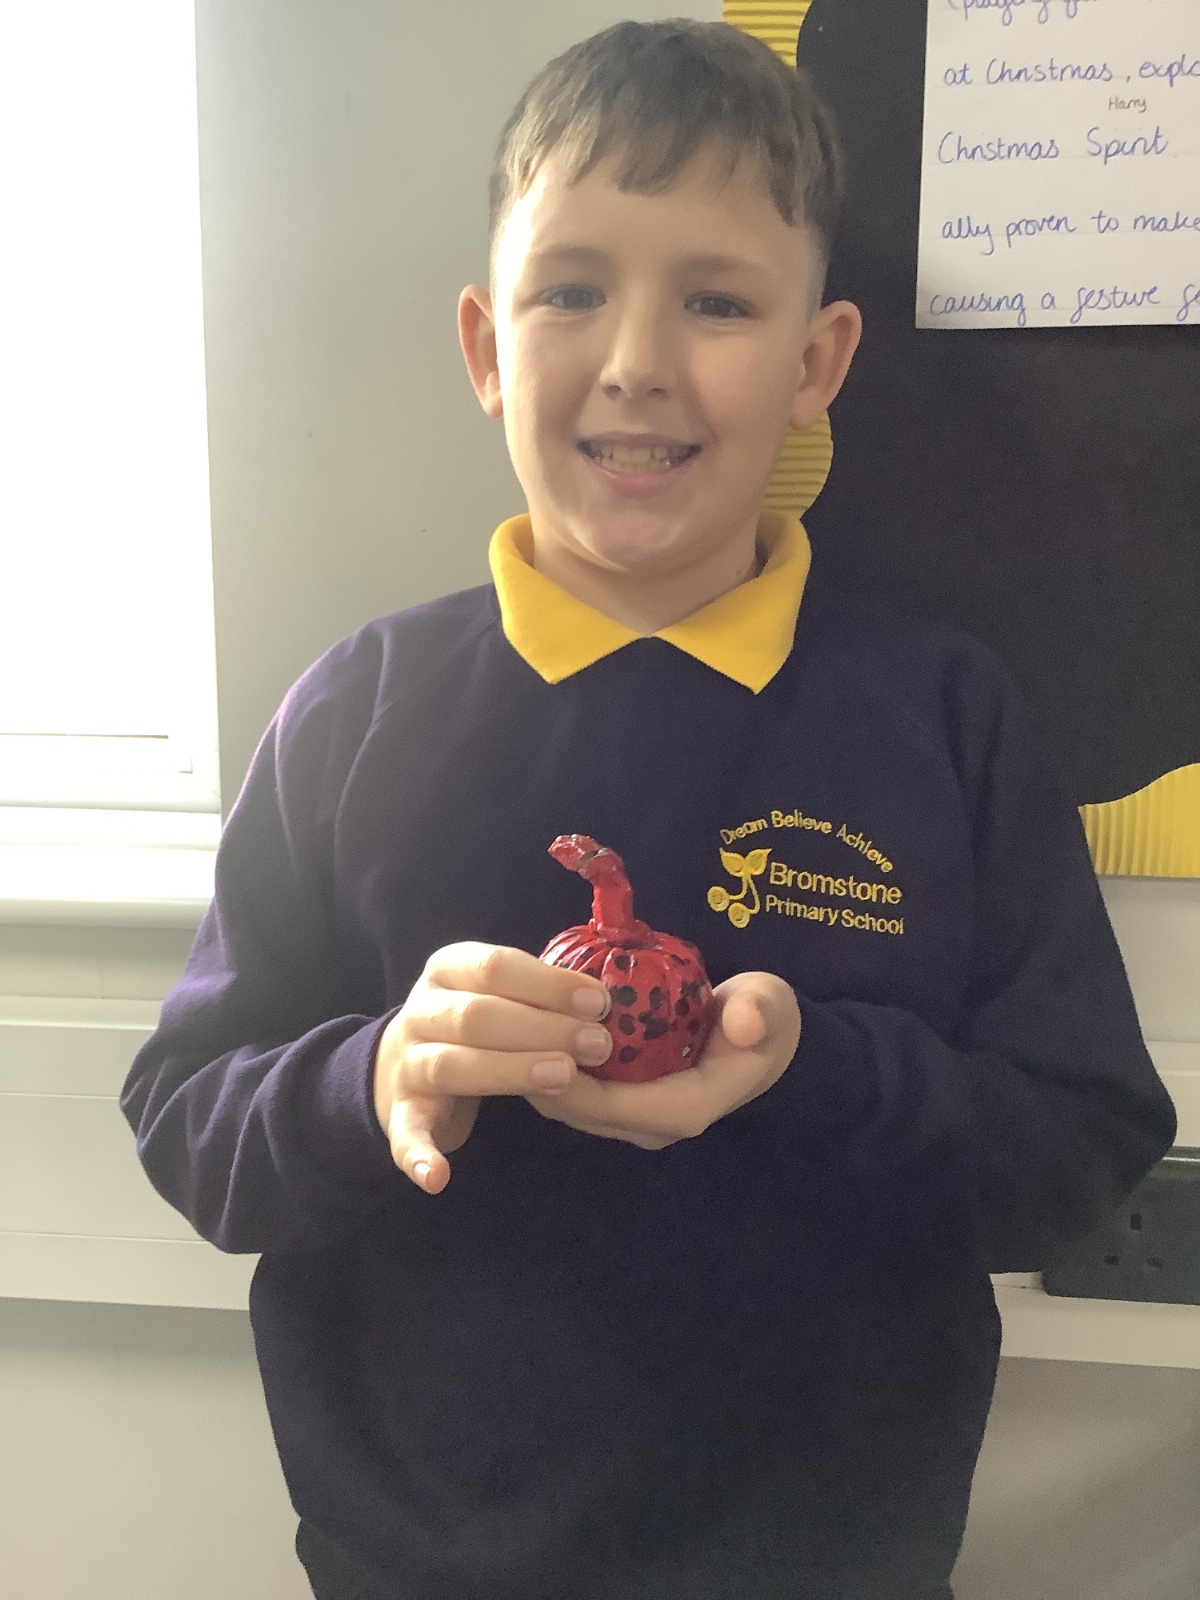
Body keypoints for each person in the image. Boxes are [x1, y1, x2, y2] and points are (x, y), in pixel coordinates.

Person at [121, 20, 1176, 1600]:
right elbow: (187, 1118)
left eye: (718, 301)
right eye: (570, 290)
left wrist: (814, 1070)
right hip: (414, 1569)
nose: (636, 361)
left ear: (817, 363)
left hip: (835, 1567)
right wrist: (376, 1075)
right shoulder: (354, 713)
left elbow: (1081, 1147)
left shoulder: (945, 718)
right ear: (486, 348)